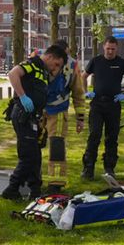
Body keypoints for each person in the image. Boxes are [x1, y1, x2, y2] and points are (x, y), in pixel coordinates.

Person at [1, 44, 68, 200]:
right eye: (56, 64)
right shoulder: (33, 64)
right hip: (22, 114)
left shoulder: (43, 71)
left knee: (35, 155)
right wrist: (22, 96)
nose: (55, 68)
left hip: (32, 116)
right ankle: (12, 189)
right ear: (50, 56)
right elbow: (13, 74)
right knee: (28, 156)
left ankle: (35, 191)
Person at [80, 36, 124, 180]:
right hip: (97, 104)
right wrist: (86, 92)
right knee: (94, 135)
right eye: (108, 48)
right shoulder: (96, 61)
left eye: (113, 49)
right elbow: (83, 76)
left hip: (113, 104)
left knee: (112, 137)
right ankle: (88, 168)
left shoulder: (122, 63)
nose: (110, 51)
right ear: (104, 47)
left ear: (116, 49)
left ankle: (109, 168)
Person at [42, 39, 86, 194]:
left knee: (57, 145)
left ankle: (56, 184)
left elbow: (78, 92)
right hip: (38, 109)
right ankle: (33, 179)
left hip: (58, 111)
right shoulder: (39, 59)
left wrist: (80, 118)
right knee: (33, 145)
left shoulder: (72, 66)